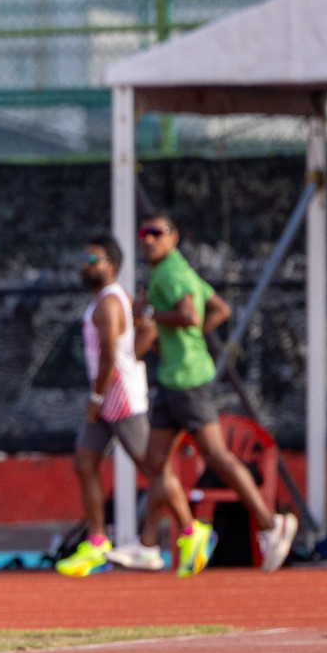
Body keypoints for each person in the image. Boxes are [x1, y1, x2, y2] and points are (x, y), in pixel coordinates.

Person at [131, 212, 297, 576]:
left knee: (218, 457)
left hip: (188, 381)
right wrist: (185, 342)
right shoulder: (178, 270)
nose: (147, 239)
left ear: (173, 238)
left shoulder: (172, 273)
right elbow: (219, 309)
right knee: (154, 462)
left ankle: (271, 525)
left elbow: (190, 316)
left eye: (156, 233)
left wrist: (151, 313)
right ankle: (148, 545)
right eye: (143, 233)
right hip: (174, 378)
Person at [55, 235, 157, 577]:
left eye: (93, 259)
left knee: (150, 466)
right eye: (84, 257)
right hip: (105, 394)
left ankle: (189, 529)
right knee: (85, 463)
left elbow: (114, 353)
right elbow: (143, 328)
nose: (85, 264)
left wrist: (98, 398)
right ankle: (98, 542)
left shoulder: (111, 302)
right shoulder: (108, 299)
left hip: (119, 395)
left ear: (111, 266)